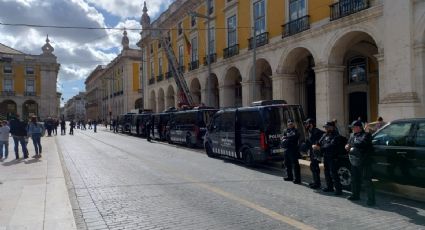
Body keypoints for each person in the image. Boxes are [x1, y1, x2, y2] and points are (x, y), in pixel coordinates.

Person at [346, 120, 376, 206]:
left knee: (366, 180)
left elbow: (361, 143)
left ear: (358, 128)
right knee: (354, 179)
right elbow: (349, 143)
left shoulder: (366, 135)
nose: (352, 129)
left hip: (364, 161)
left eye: (353, 127)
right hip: (354, 160)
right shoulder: (352, 135)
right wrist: (347, 146)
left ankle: (371, 199)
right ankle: (355, 195)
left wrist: (351, 144)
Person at [313, 121, 343, 195]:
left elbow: (331, 146)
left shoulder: (336, 135)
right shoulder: (325, 135)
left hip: (333, 157)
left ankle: (338, 190)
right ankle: (329, 187)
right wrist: (316, 145)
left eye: (327, 127)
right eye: (325, 127)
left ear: (332, 127)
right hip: (326, 156)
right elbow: (319, 142)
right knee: (326, 172)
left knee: (333, 173)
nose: (326, 128)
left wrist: (320, 148)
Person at [304, 118, 325, 189]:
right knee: (313, 167)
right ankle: (315, 181)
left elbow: (323, 136)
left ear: (311, 124)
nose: (306, 125)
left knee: (315, 167)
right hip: (312, 152)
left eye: (307, 123)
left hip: (316, 153)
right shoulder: (310, 131)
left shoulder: (316, 131)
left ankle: (317, 183)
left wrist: (317, 144)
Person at [281, 119, 301, 184]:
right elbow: (283, 138)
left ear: (293, 124)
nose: (290, 124)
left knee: (295, 165)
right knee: (287, 163)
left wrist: (286, 137)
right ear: (287, 124)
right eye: (289, 123)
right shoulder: (285, 130)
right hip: (286, 149)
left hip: (293, 149)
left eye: (291, 123)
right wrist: (285, 138)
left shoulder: (296, 130)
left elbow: (295, 137)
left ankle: (297, 179)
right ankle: (289, 176)